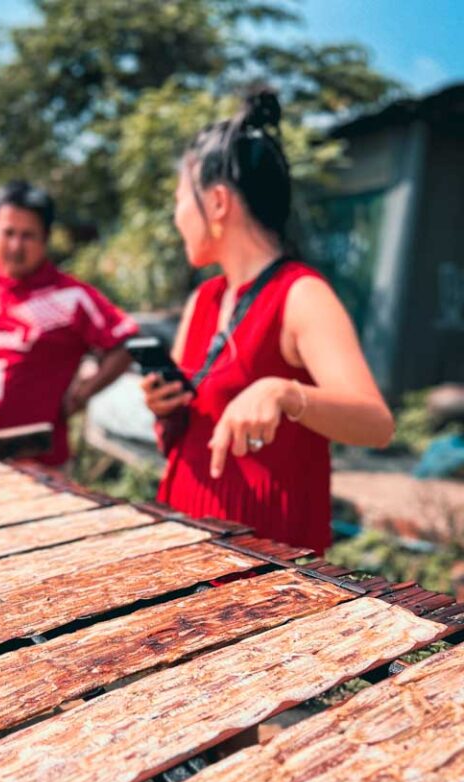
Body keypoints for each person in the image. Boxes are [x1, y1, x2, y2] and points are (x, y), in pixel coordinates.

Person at [142, 89, 394, 554]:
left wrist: (283, 392)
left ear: (217, 202)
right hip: (185, 535)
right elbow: (190, 429)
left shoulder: (301, 294)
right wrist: (165, 407)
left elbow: (377, 424)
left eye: (180, 199)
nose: (177, 217)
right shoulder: (204, 299)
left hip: (268, 558)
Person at [0, 180, 138, 466]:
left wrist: (83, 395)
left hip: (44, 462)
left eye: (28, 236)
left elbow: (126, 345)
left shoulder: (71, 297)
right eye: (8, 233)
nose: (15, 245)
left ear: (45, 239)